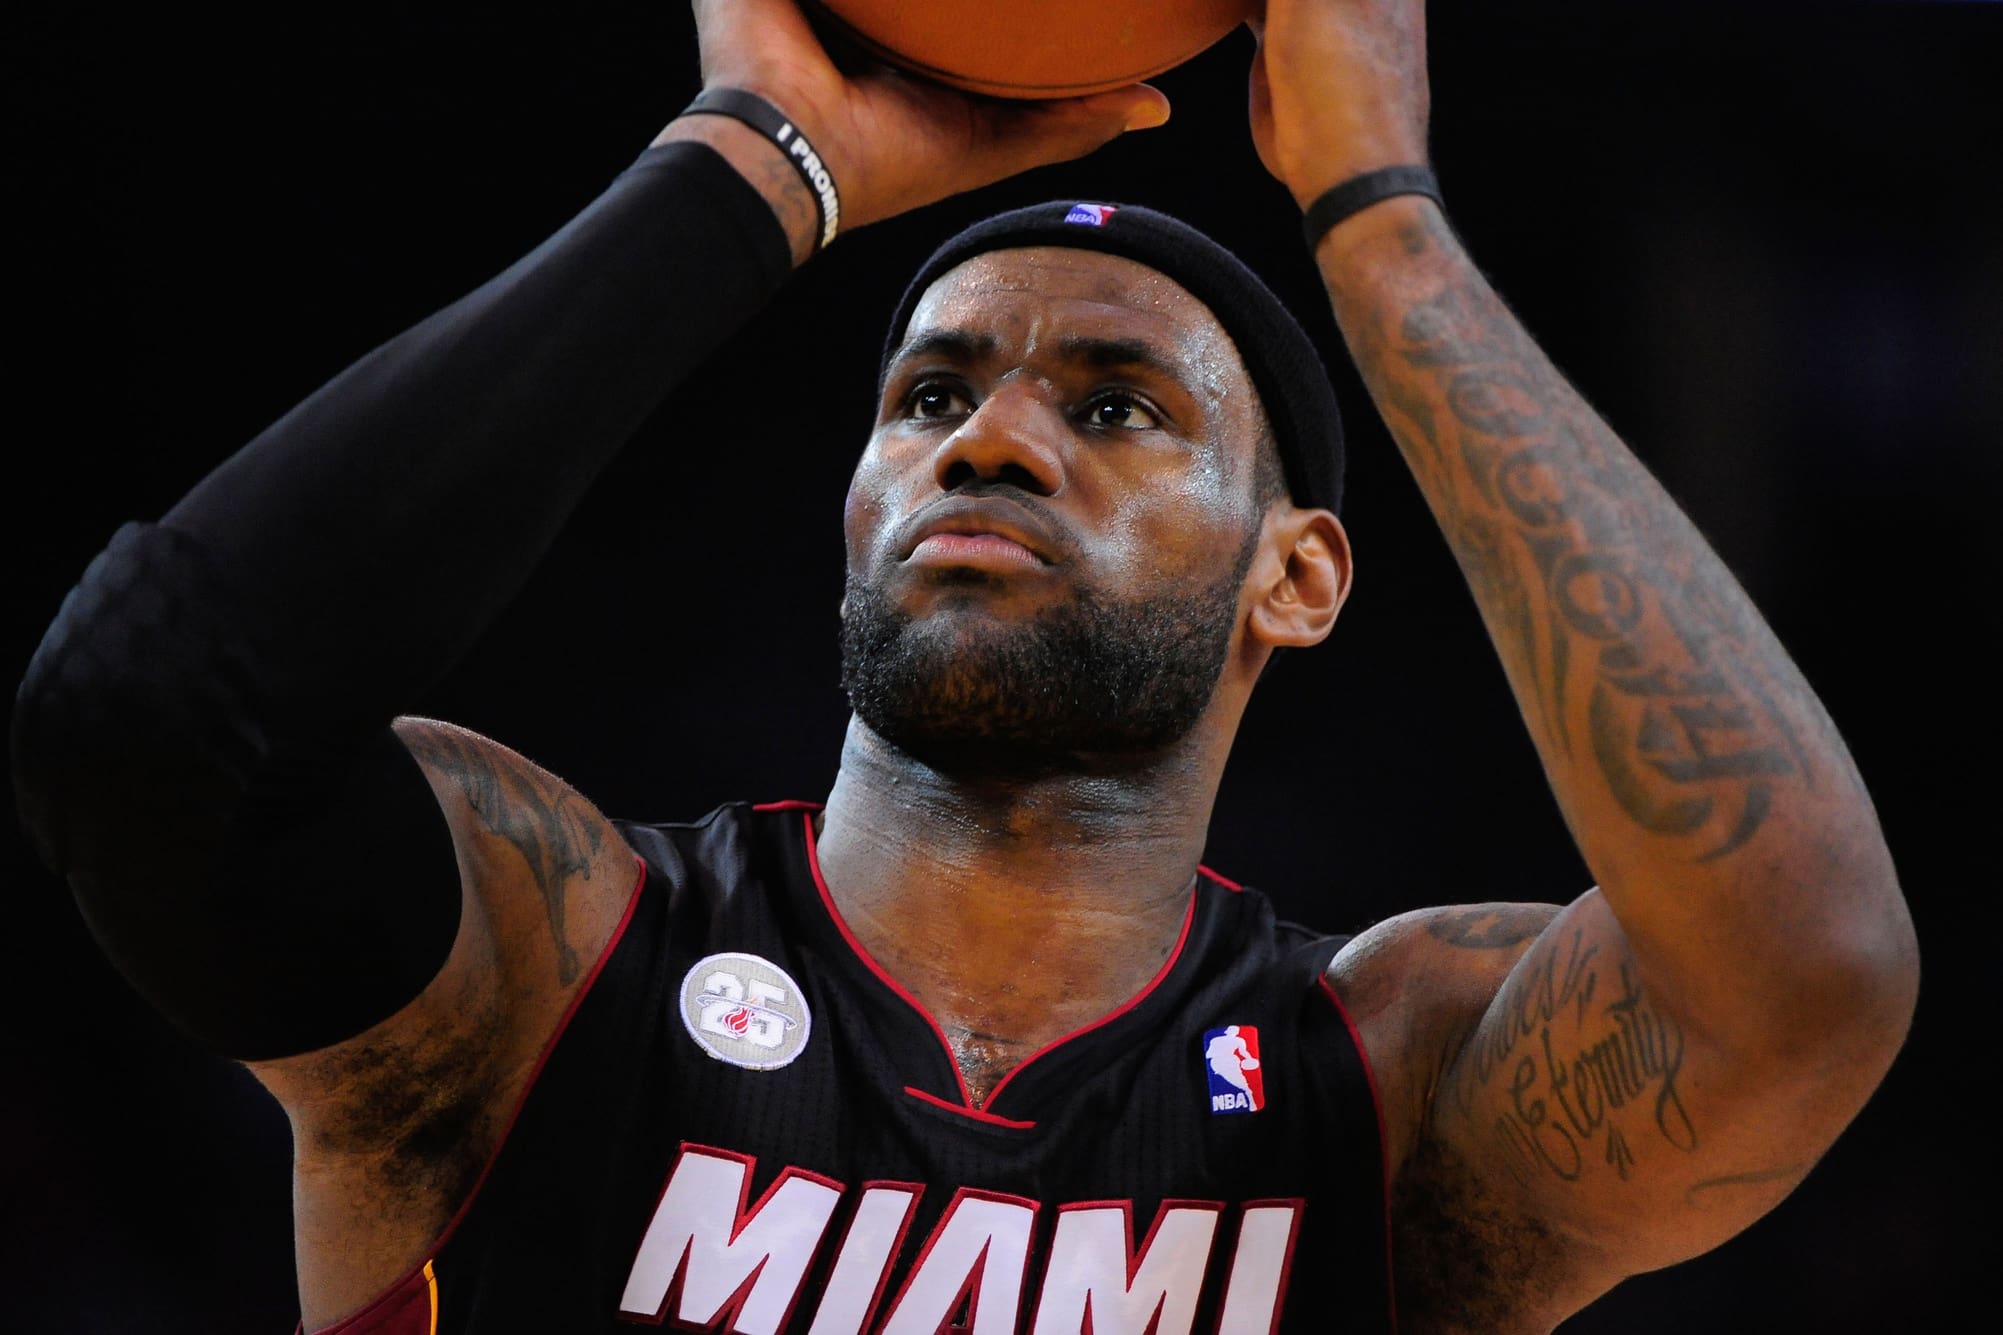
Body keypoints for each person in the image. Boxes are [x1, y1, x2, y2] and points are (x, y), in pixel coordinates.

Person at [9, 0, 1919, 1331]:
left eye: (1118, 402)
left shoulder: (1388, 1081)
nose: (989, 441)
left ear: (1301, 579)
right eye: (930, 393)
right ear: (852, 499)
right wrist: (749, 173)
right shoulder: (556, 957)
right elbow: (149, 723)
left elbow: (1804, 975)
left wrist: (1386, 230)